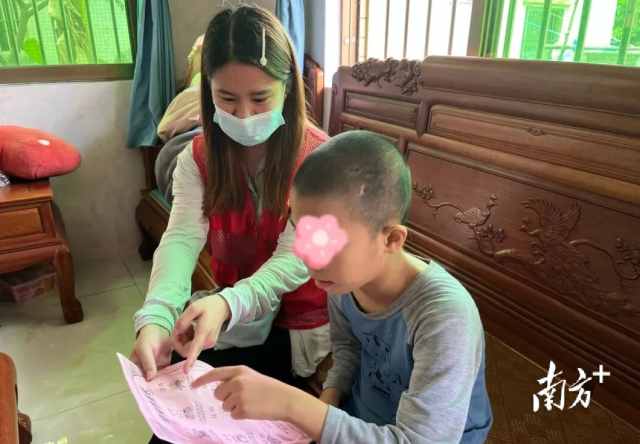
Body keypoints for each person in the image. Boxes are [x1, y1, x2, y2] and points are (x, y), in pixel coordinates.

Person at [192, 131, 494, 444]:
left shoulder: (445, 316)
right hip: (360, 417)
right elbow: (349, 350)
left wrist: (295, 405)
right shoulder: (344, 282)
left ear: (391, 239)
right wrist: (328, 400)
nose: (311, 259)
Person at [130, 4, 332, 424]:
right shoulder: (198, 157)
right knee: (180, 382)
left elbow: (297, 258)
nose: (243, 115)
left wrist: (227, 303)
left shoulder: (318, 160)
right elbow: (181, 237)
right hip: (236, 310)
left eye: (260, 99)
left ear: (287, 89)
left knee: (217, 402)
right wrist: (156, 315)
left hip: (299, 320)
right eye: (227, 98)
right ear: (208, 92)